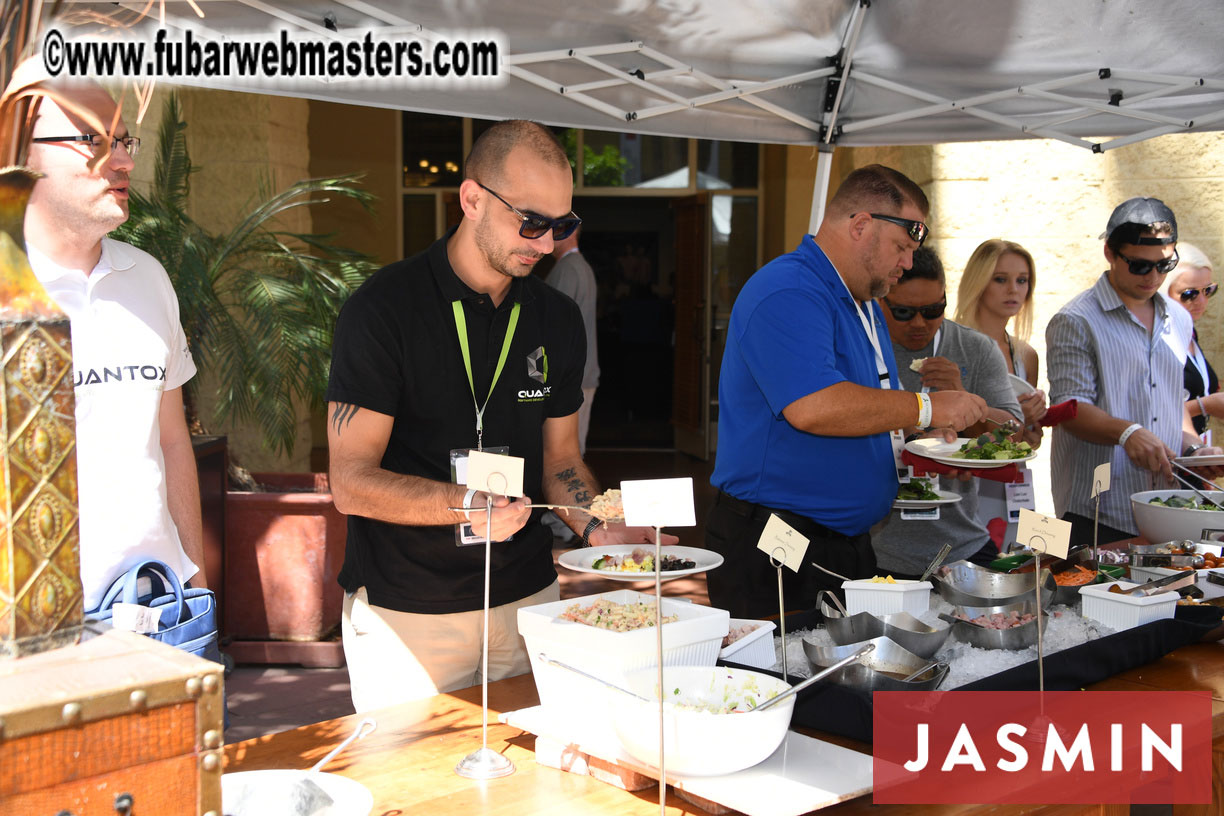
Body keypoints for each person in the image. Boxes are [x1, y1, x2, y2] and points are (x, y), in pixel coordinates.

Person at [326, 120, 671, 712]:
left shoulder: (557, 318)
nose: (545, 244)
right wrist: (463, 504)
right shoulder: (383, 309)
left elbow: (562, 459)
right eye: (531, 222)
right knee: (417, 796)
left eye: (562, 226)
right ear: (472, 200)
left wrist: (599, 525)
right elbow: (350, 483)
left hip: (527, 602)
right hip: (409, 611)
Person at [705, 164, 989, 619]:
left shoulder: (864, 301)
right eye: (902, 247)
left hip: (843, 542)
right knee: (782, 679)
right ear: (860, 225)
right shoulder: (789, 290)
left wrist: (923, 444)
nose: (908, 263)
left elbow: (869, 409)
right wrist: (927, 406)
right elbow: (814, 406)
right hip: (779, 541)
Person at [24, 81, 205, 613]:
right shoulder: (13, 290)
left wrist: (194, 580)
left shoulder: (147, 277)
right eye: (94, 140)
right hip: (31, 623)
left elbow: (173, 441)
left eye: (126, 142)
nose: (122, 161)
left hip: (156, 602)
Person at [1047, 198, 1224, 549]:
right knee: (1096, 601)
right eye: (1141, 266)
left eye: (1165, 265)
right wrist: (1127, 433)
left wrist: (1192, 451)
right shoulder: (1075, 319)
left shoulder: (1179, 317)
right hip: (1097, 509)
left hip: (1164, 504)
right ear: (1110, 253)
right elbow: (1069, 409)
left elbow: (1170, 405)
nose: (1154, 276)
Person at [871, 248, 1023, 578]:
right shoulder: (861, 345)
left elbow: (1015, 431)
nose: (919, 323)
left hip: (961, 544)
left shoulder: (975, 347)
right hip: (873, 548)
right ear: (880, 301)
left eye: (932, 309)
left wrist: (965, 399)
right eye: (903, 312)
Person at [954, 239, 1047, 448]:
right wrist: (1013, 419)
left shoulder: (1027, 356)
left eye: (1022, 280)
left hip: (1011, 474)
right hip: (961, 473)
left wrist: (1030, 434)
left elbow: (1025, 437)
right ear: (978, 282)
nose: (1013, 289)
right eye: (1000, 279)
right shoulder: (953, 345)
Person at [545, 226, 600, 454]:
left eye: (552, 230)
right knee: (572, 449)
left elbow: (554, 327)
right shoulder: (579, 266)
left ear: (571, 232)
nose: (545, 237)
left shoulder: (569, 269)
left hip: (571, 376)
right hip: (581, 373)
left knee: (565, 454)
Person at [1166, 243, 1220, 438]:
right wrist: (1205, 405)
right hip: (1165, 451)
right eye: (1189, 294)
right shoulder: (1159, 339)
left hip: (1192, 451)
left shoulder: (1189, 331)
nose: (1201, 301)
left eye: (1208, 290)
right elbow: (1152, 411)